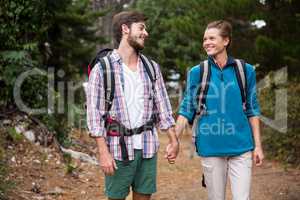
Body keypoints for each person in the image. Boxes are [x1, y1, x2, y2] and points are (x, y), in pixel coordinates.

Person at [87, 11, 179, 200]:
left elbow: (163, 106)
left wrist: (173, 139)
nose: (146, 33)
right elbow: (95, 116)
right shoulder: (102, 69)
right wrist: (103, 153)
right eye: (141, 28)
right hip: (118, 149)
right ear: (125, 29)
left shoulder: (152, 67)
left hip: (148, 147)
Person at [176, 20, 264, 200]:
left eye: (212, 38)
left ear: (226, 41)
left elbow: (252, 109)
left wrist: (258, 146)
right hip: (211, 147)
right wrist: (174, 139)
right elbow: (187, 108)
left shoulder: (245, 71)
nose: (206, 42)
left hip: (242, 146)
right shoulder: (197, 72)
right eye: (204, 39)